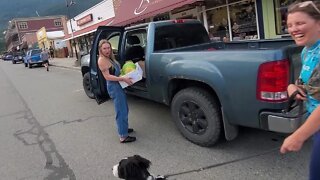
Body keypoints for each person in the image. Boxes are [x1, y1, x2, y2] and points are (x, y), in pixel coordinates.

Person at [280, 1, 320, 179]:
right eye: (289, 25)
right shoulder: (306, 51)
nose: (293, 29)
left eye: (300, 23)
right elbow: (307, 81)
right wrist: (292, 87)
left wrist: (298, 136)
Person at [97, 39, 136, 143]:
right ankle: (123, 136)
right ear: (100, 49)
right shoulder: (102, 60)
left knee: (124, 109)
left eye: (108, 48)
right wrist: (123, 79)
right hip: (114, 87)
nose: (107, 50)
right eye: (104, 48)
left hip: (119, 85)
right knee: (121, 111)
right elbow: (108, 77)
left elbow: (115, 72)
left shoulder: (109, 58)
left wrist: (126, 73)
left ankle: (124, 128)